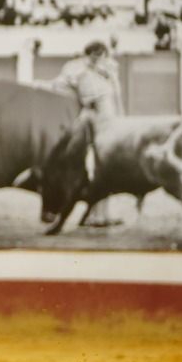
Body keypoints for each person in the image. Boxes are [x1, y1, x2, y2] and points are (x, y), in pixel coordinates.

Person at [51, 42, 124, 226]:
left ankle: (100, 215)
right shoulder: (79, 71)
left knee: (106, 169)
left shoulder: (106, 71)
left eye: (101, 55)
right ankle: (93, 215)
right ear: (90, 54)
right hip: (95, 129)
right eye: (96, 55)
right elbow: (61, 86)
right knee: (95, 170)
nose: (99, 58)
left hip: (107, 127)